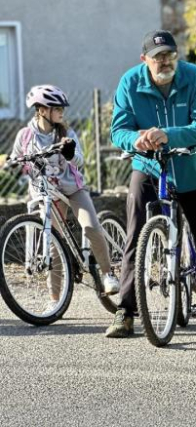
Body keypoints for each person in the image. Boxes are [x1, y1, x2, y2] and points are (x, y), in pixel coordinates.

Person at [107, 30, 196, 339]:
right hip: (150, 167)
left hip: (194, 169)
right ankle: (125, 311)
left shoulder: (194, 77)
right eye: (158, 57)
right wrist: (138, 139)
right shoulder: (130, 82)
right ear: (145, 60)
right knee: (134, 237)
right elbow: (119, 131)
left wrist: (168, 134)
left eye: (170, 55)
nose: (165, 61)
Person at [11, 85, 120, 302]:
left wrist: (70, 153)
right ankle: (55, 300)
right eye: (57, 108)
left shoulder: (67, 134)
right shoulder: (25, 136)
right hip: (46, 193)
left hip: (72, 189)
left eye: (62, 108)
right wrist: (12, 167)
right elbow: (16, 159)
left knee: (90, 226)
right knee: (53, 244)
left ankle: (109, 274)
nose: (62, 111)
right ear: (42, 110)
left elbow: (79, 160)